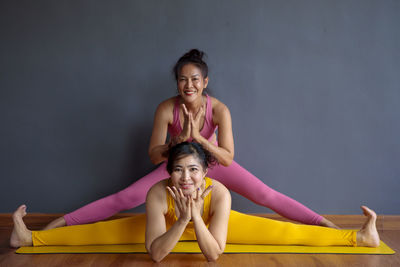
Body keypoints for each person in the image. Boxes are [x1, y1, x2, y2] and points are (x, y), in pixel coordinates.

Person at [43, 49, 338, 230]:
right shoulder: (166, 108)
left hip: (212, 163)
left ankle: (328, 226)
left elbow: (227, 158)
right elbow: (154, 155)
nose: (189, 85)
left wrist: (198, 138)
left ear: (205, 82)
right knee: (127, 197)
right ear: (177, 83)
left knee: (265, 195)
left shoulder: (219, 109)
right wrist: (178, 141)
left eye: (195, 79)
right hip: (178, 166)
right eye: (183, 79)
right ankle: (53, 227)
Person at [10, 142, 380, 262]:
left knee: (284, 233)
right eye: (178, 171)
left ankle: (359, 238)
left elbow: (214, 254)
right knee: (101, 232)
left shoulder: (219, 192)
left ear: (205, 172)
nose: (185, 178)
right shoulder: (158, 192)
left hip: (212, 226)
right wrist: (180, 220)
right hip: (174, 224)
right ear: (167, 172)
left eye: (193, 171)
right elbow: (155, 255)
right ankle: (28, 238)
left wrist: (195, 219)